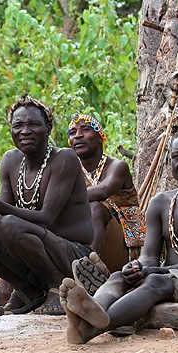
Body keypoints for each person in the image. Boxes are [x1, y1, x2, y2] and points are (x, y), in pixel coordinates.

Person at [59, 128, 178, 344]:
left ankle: (89, 329)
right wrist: (136, 267)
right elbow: (149, 256)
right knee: (119, 276)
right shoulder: (160, 203)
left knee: (154, 280)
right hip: (169, 277)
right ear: (169, 163)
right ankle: (94, 309)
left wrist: (152, 270)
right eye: (177, 157)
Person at [0, 95, 93, 316]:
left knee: (9, 224)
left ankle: (57, 285)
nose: (25, 131)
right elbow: (0, 225)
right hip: (31, 257)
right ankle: (27, 289)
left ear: (48, 128)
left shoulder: (65, 158)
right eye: (18, 125)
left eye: (34, 124)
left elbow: (46, 218)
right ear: (11, 130)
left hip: (71, 256)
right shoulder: (11, 160)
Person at [67, 113, 144, 275]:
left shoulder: (117, 167)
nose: (78, 135)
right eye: (72, 132)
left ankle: (88, 271)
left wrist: (63, 199)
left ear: (100, 137)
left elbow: (103, 191)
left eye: (85, 129)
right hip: (83, 242)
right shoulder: (72, 172)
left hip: (127, 252)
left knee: (94, 207)